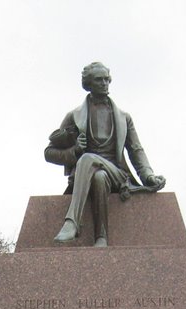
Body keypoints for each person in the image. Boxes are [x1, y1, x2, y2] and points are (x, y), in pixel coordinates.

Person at [45, 62, 166, 247]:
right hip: (93, 177)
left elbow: (136, 150)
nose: (104, 83)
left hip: (118, 175)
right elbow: (49, 153)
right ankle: (101, 238)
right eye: (99, 80)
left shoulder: (123, 118)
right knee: (99, 177)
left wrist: (148, 175)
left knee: (87, 159)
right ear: (88, 84)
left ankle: (73, 222)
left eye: (107, 79)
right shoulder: (75, 116)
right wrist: (74, 150)